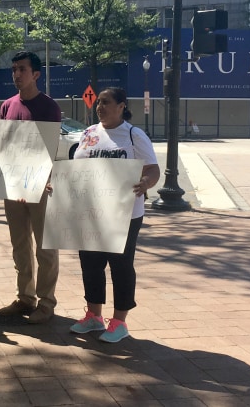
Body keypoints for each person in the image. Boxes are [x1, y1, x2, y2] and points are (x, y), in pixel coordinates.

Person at [68, 87, 160, 343]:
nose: (100, 107)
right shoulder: (89, 134)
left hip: (124, 213)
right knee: (90, 263)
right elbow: (78, 170)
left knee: (120, 265)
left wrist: (145, 183)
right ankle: (94, 316)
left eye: (106, 102)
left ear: (121, 106)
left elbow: (153, 169)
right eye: (98, 102)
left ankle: (119, 322)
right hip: (92, 211)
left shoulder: (133, 135)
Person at [0, 51, 62, 324]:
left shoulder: (49, 107)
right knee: (19, 244)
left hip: (39, 184)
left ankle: (46, 303)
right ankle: (25, 297)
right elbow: (0, 147)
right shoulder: (6, 106)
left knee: (45, 247)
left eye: (22, 69)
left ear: (36, 74)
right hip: (12, 185)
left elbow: (49, 149)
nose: (16, 74)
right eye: (13, 69)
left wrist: (40, 179)